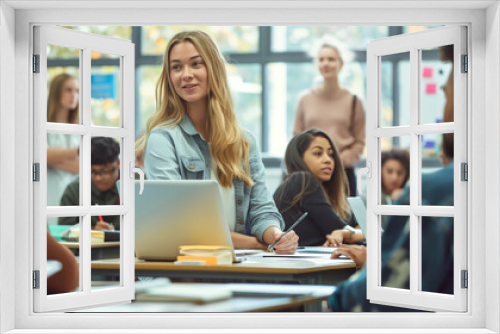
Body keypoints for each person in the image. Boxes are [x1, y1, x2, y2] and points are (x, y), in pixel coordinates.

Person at [136, 30, 298, 254]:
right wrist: (255, 244)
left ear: (214, 68)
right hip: (183, 273)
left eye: (196, 64)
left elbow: (262, 210)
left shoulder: (245, 142)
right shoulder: (163, 139)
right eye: (176, 67)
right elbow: (182, 224)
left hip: (233, 267)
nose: (186, 74)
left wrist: (275, 236)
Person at [328, 45, 455, 312]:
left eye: (448, 87)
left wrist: (369, 268)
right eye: (389, 171)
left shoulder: (430, 196)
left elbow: (368, 300)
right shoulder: (382, 197)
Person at [293, 41, 366, 197]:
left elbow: (360, 141)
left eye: (331, 59)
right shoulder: (305, 99)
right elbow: (297, 137)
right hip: (310, 173)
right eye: (321, 59)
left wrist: (340, 160)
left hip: (343, 173)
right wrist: (310, 161)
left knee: (346, 220)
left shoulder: (354, 101)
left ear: (341, 64)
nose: (326, 63)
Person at [274, 128, 364, 247]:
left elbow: (371, 232)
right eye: (318, 153)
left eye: (331, 154)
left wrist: (345, 233)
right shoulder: (301, 180)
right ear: (299, 158)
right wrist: (347, 233)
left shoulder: (332, 197)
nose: (328, 160)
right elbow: (340, 229)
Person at [58, 137, 120, 231]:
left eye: (105, 171)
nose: (98, 178)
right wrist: (91, 231)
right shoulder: (75, 191)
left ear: (118, 163)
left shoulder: (136, 184)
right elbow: (63, 231)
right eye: (92, 171)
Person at [46, 73, 80, 224]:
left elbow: (84, 165)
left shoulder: (84, 124)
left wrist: (52, 159)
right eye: (68, 90)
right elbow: (41, 156)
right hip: (50, 193)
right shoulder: (42, 122)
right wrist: (77, 152)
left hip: (76, 195)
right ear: (56, 92)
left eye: (77, 91)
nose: (74, 95)